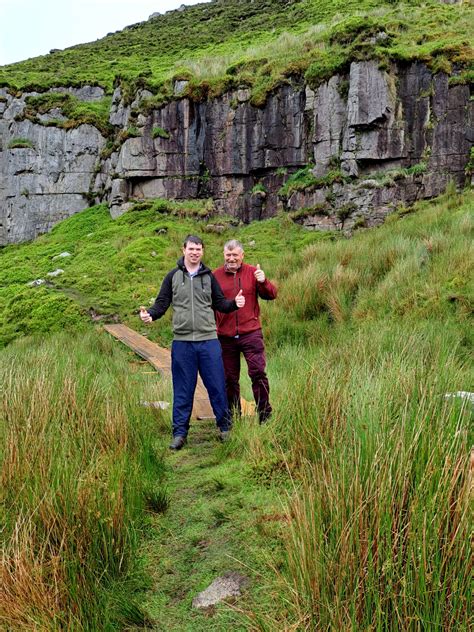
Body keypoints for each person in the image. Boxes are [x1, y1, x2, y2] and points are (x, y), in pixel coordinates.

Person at [139, 235, 245, 450]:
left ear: (202, 251)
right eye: (191, 249)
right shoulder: (172, 277)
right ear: (184, 250)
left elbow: (220, 304)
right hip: (182, 343)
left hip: (208, 341)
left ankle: (225, 428)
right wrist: (150, 315)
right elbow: (161, 303)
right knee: (183, 389)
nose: (195, 252)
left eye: (199, 249)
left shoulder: (209, 277)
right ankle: (179, 434)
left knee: (216, 386)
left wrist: (235, 303)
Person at [213, 239, 277, 424]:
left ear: (242, 255)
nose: (231, 258)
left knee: (258, 373)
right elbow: (209, 304)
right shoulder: (215, 276)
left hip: (251, 333)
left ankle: (265, 414)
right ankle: (234, 418)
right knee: (229, 380)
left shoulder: (252, 272)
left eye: (235, 255)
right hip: (225, 336)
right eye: (228, 255)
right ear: (224, 255)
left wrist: (263, 281)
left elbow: (271, 294)